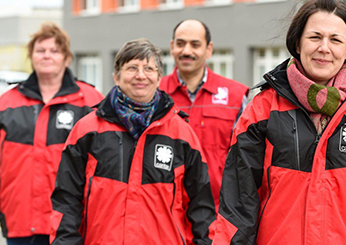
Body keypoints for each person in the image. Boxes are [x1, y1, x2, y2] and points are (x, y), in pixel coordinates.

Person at [212, 0, 346, 244]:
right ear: (298, 43)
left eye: (335, 39)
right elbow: (238, 207)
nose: (324, 48)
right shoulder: (262, 110)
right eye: (315, 37)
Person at [50, 38, 216, 245]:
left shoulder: (181, 134)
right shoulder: (87, 131)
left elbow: (201, 207)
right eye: (132, 68)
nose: (140, 75)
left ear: (158, 78)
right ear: (116, 77)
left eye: (149, 68)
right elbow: (67, 200)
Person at [0, 22, 104, 245]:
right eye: (40, 50)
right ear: (31, 56)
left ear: (67, 58)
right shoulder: (6, 103)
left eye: (55, 51)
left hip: (71, 224)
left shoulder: (91, 100)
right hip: (19, 221)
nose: (47, 56)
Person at [159, 19, 249, 207]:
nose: (186, 51)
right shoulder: (156, 94)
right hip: (164, 213)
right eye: (181, 44)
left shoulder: (234, 97)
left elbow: (246, 162)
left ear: (209, 49)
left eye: (195, 44)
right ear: (172, 47)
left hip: (217, 214)